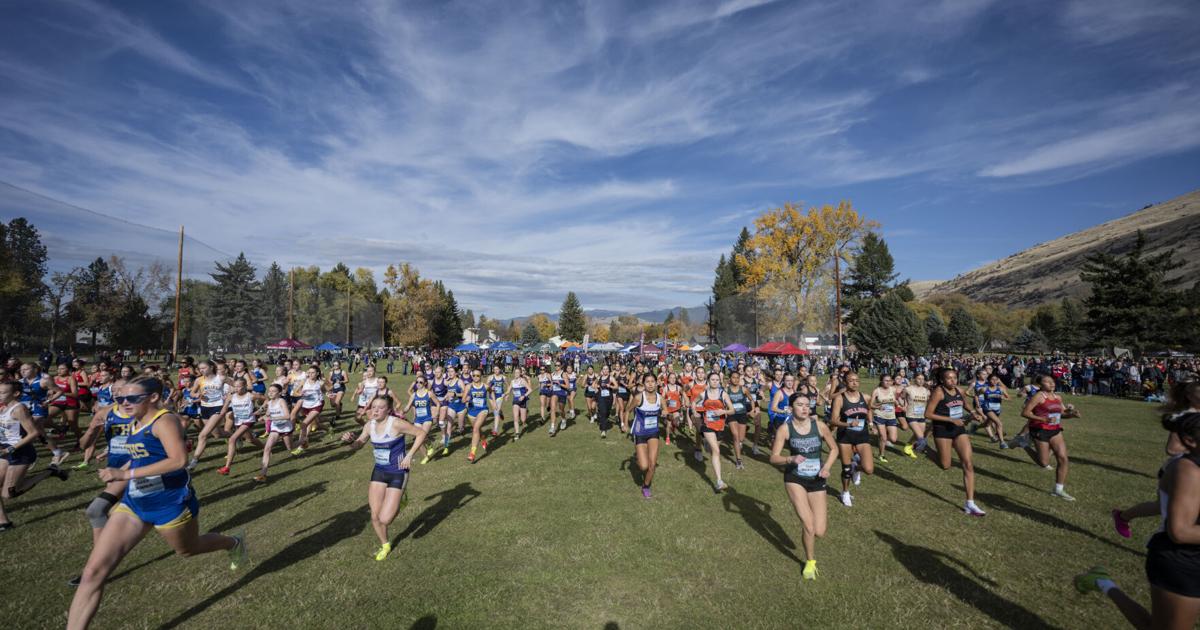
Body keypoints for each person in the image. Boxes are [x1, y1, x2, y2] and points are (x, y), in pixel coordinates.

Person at [67, 376, 248, 630]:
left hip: (170, 504)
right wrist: (120, 464)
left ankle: (234, 543)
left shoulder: (165, 421)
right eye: (121, 399)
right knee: (92, 574)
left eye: (132, 398)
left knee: (188, 549)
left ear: (153, 397)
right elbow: (142, 456)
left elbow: (178, 461)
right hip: (134, 503)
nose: (124, 403)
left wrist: (124, 475)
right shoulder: (134, 421)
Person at [1075, 411, 1200, 629]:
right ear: (1190, 441)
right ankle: (1102, 582)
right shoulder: (1186, 470)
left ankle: (1101, 581)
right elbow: (1179, 531)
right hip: (1182, 560)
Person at [341, 395, 427, 561]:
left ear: (389, 410)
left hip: (398, 471)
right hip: (379, 472)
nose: (376, 410)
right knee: (374, 516)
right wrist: (349, 441)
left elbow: (421, 433)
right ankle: (385, 544)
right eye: (373, 407)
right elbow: (358, 445)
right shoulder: (369, 426)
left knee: (385, 519)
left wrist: (409, 455)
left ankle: (402, 499)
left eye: (380, 407)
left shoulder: (395, 423)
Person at [68, 383, 135, 586]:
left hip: (135, 469)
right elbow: (84, 445)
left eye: (122, 391)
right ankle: (98, 568)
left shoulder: (143, 414)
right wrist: (91, 429)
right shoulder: (105, 413)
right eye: (114, 391)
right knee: (113, 516)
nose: (117, 394)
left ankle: (96, 569)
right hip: (114, 470)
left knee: (97, 510)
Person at [769, 393, 838, 581]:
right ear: (791, 408)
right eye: (800, 405)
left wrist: (827, 467)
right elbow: (773, 457)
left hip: (817, 479)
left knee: (820, 531)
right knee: (808, 525)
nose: (805, 408)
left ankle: (810, 544)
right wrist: (789, 458)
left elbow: (834, 449)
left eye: (807, 405)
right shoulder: (785, 429)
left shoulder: (820, 426)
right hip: (795, 478)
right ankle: (810, 562)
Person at [1, 380, 67, 530]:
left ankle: (50, 471)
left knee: (9, 494)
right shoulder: (3, 408)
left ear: (16, 394)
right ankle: (4, 523)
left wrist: (10, 449)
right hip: (5, 451)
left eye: (3, 392)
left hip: (21, 453)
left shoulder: (19, 409)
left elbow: (34, 433)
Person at [926, 368, 986, 516]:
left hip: (959, 430)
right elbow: (927, 414)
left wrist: (973, 413)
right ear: (942, 380)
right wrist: (951, 420)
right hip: (942, 430)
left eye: (954, 378)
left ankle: (970, 503)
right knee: (945, 465)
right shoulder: (939, 392)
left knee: (968, 463)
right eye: (949, 378)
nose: (952, 381)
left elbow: (965, 404)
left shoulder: (959, 390)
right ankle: (923, 447)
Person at [1022, 373, 1081, 501]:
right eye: (1047, 381)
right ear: (1040, 384)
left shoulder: (1057, 397)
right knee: (1044, 463)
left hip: (1055, 430)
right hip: (1040, 430)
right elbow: (1025, 412)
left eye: (1052, 381)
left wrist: (1071, 414)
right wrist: (1042, 418)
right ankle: (1024, 444)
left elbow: (1062, 413)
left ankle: (1058, 489)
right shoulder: (1038, 396)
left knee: (1063, 458)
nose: (1051, 383)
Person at [829, 372, 874, 507]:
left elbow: (870, 409)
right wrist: (848, 424)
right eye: (851, 380)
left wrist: (871, 423)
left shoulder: (865, 397)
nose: (854, 383)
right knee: (846, 469)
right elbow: (833, 421)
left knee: (869, 469)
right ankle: (845, 492)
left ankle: (857, 467)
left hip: (862, 435)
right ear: (845, 382)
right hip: (846, 436)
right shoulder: (840, 399)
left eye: (857, 380)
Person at [695, 372, 734, 492]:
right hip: (707, 425)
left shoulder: (724, 394)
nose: (715, 382)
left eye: (717, 380)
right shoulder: (703, 394)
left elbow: (732, 410)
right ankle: (719, 481)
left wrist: (723, 412)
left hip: (720, 427)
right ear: (708, 381)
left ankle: (706, 444)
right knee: (717, 451)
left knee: (713, 451)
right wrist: (695, 412)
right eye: (713, 379)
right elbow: (693, 402)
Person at [216, 378, 263, 476]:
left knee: (232, 439)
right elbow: (224, 409)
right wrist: (218, 417)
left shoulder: (250, 396)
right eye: (235, 386)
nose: (237, 388)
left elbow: (265, 399)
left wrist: (261, 409)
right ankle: (267, 448)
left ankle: (227, 467)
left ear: (245, 386)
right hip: (238, 421)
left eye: (239, 386)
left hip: (248, 421)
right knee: (250, 439)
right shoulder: (231, 397)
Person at [187, 360, 228, 470]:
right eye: (200, 368)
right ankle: (235, 436)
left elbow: (236, 386)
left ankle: (193, 462)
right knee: (217, 435)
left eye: (204, 368)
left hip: (217, 407)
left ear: (211, 367)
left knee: (202, 435)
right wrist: (197, 394)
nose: (201, 370)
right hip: (205, 408)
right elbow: (192, 393)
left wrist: (228, 396)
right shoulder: (199, 380)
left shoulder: (221, 378)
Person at [630, 373, 663, 499]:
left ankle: (646, 486)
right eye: (647, 382)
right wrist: (624, 424)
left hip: (653, 433)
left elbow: (664, 411)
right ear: (643, 384)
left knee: (652, 465)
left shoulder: (660, 398)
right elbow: (628, 410)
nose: (650, 384)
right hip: (640, 433)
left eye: (652, 381)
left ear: (656, 383)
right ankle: (638, 459)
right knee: (643, 466)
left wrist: (665, 413)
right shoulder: (639, 398)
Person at [255, 384, 294, 482]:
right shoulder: (269, 402)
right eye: (269, 391)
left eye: (273, 391)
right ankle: (263, 474)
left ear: (279, 393)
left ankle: (303, 441)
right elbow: (268, 414)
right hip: (275, 428)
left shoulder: (281, 401)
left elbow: (287, 416)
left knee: (290, 448)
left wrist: (270, 418)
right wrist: (261, 417)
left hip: (285, 428)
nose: (270, 393)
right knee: (267, 448)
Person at [291, 366, 328, 452]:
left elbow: (327, 389)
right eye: (309, 372)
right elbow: (295, 392)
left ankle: (301, 446)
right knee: (316, 424)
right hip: (306, 406)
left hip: (317, 405)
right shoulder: (304, 381)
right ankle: (328, 429)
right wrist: (301, 394)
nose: (310, 374)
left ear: (317, 373)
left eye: (313, 372)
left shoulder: (320, 382)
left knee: (304, 424)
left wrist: (328, 392)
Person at [870, 374, 899, 463]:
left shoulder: (893, 390)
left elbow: (896, 401)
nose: (888, 382)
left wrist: (897, 403)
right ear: (881, 381)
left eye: (889, 380)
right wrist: (878, 407)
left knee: (893, 439)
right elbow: (870, 405)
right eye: (886, 380)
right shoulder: (876, 391)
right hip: (880, 416)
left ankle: (883, 437)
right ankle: (881, 455)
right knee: (883, 437)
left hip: (891, 416)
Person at [977, 372, 1011, 448]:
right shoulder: (984, 389)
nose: (995, 381)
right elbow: (976, 395)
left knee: (987, 423)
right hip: (987, 408)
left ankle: (975, 427)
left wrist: (1003, 398)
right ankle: (1002, 442)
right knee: (998, 423)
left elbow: (1009, 398)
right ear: (988, 380)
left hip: (997, 409)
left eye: (996, 379)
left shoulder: (1001, 389)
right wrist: (978, 404)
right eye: (992, 379)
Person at [464, 370, 491, 463]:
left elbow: (491, 392)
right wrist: (467, 399)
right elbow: (463, 399)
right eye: (474, 375)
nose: (475, 377)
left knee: (475, 429)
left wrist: (494, 403)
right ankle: (483, 439)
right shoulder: (468, 386)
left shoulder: (485, 386)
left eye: (478, 375)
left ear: (481, 376)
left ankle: (472, 453)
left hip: (483, 410)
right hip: (472, 412)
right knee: (478, 429)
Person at [902, 373, 930, 458]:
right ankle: (920, 448)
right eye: (919, 379)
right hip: (911, 414)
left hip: (921, 415)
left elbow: (928, 402)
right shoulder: (908, 389)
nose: (921, 381)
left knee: (918, 434)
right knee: (920, 437)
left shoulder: (927, 391)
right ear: (914, 379)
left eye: (922, 379)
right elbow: (902, 398)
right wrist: (904, 405)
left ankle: (908, 446)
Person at [509, 367, 530, 440]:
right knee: (515, 417)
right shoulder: (512, 382)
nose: (516, 374)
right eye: (515, 372)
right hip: (515, 401)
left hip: (522, 401)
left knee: (523, 419)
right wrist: (506, 395)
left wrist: (524, 396)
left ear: (520, 373)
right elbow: (508, 390)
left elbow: (530, 390)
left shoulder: (523, 381)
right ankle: (517, 433)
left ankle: (525, 414)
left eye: (518, 373)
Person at [487, 365, 508, 437]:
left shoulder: (503, 377)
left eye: (497, 369)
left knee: (496, 413)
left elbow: (508, 386)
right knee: (495, 410)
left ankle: (495, 430)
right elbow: (486, 387)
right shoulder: (490, 377)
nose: (496, 371)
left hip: (500, 396)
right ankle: (500, 411)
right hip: (491, 397)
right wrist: (490, 388)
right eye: (494, 369)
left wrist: (506, 395)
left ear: (500, 369)